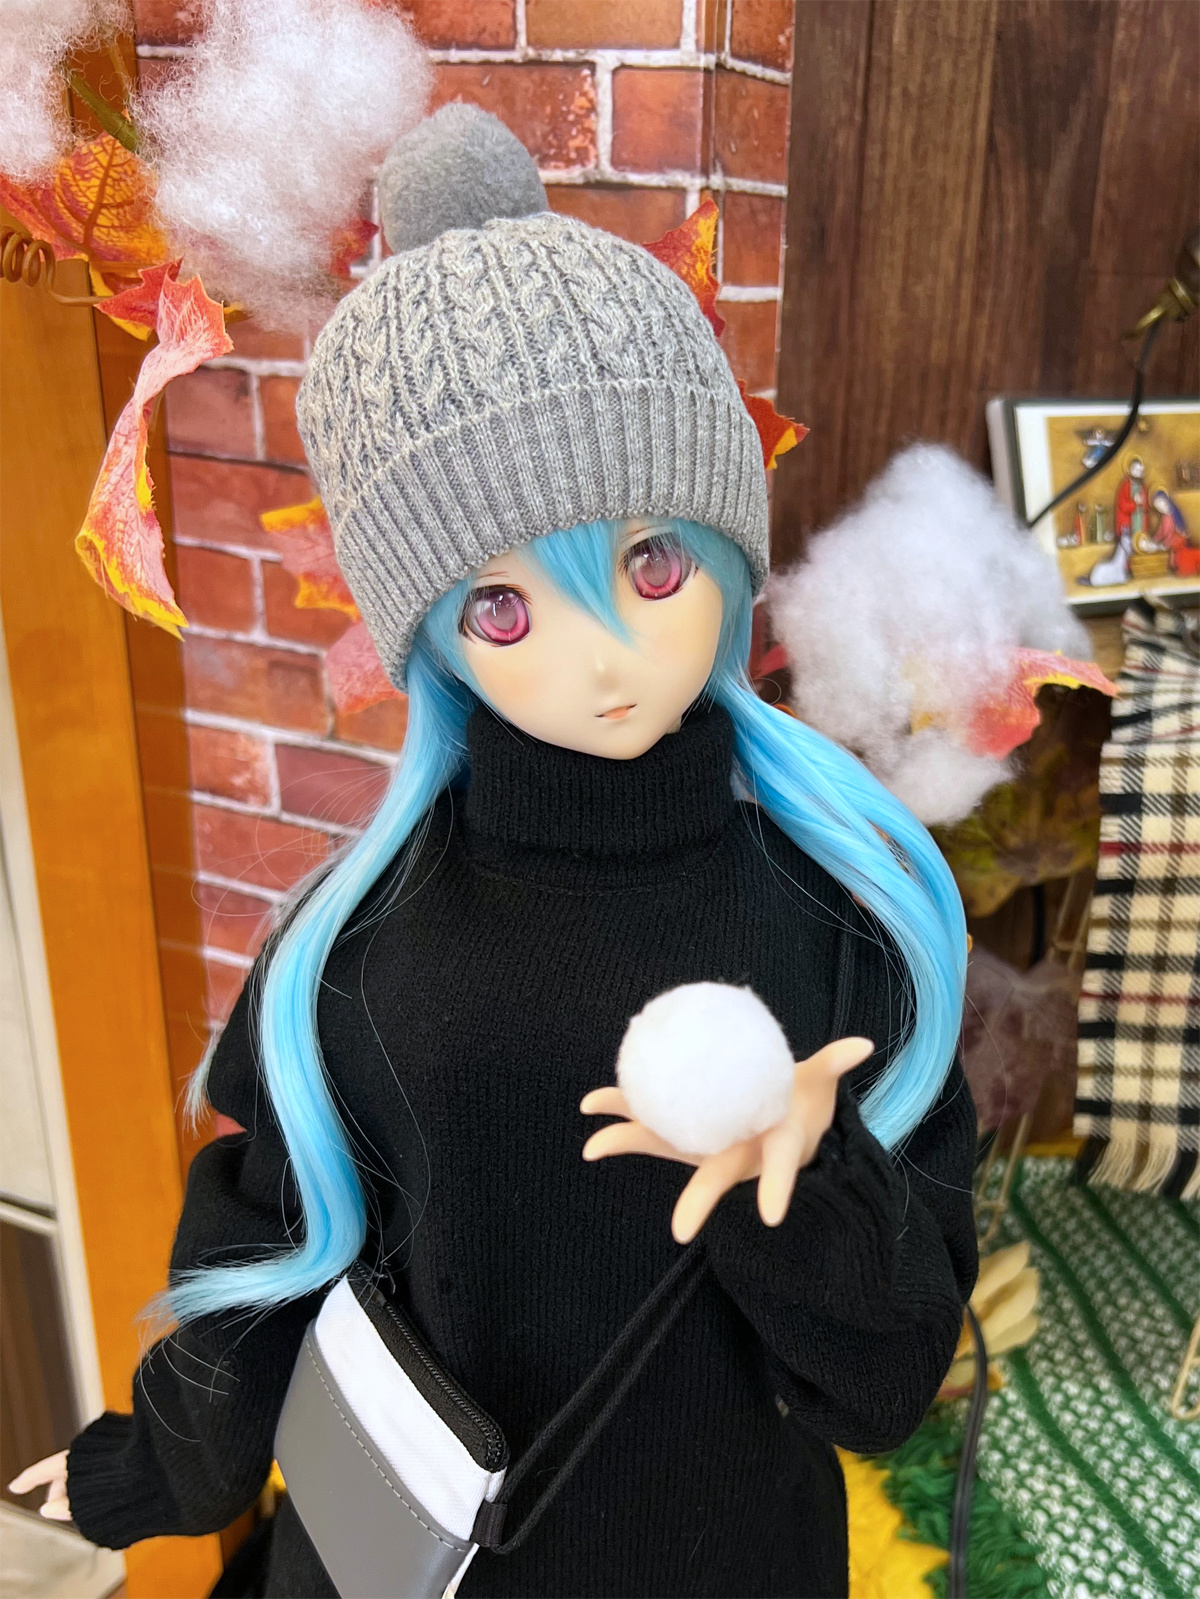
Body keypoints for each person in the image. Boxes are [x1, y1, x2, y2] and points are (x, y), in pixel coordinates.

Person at [11, 108, 977, 1598]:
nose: (605, 656)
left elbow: (884, 1389)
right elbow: (263, 1262)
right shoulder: (356, 955)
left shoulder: (838, 918)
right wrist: (147, 1467)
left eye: (651, 561)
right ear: (433, 638)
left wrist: (805, 1190)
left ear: (725, 544)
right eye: (505, 608)